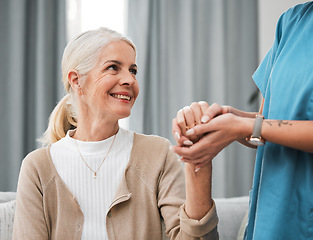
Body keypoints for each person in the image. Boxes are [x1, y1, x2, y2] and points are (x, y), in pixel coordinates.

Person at [12, 27, 219, 240]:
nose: (129, 79)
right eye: (113, 67)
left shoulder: (158, 154)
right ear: (76, 80)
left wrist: (198, 161)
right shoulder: (37, 167)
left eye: (133, 70)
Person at [171, 2, 313, 240]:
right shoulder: (292, 22)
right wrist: (229, 120)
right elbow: (265, 124)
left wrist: (245, 126)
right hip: (273, 216)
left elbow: (260, 127)